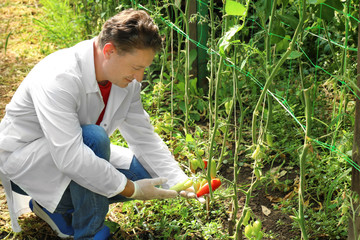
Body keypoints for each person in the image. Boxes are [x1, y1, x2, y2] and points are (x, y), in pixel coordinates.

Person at [0, 9, 198, 239]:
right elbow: (71, 157)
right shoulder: (59, 77)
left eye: (144, 68)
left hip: (72, 151)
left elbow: (143, 137)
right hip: (27, 166)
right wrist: (131, 189)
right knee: (94, 138)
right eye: (136, 68)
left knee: (147, 174)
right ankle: (89, 232)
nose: (140, 78)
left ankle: (53, 207)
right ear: (109, 50)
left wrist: (180, 181)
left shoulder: (125, 80)